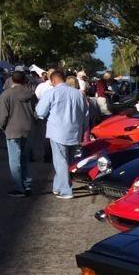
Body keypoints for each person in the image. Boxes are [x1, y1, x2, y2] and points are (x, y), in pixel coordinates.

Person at [36, 69, 89, 200]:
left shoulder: (51, 93)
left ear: (53, 80)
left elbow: (40, 112)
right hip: (75, 130)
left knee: (61, 162)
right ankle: (58, 187)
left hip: (58, 131)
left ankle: (66, 190)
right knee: (67, 162)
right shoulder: (78, 94)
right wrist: (83, 130)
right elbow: (86, 115)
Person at [0, 70, 36, 197]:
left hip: (12, 129)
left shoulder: (6, 95)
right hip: (27, 129)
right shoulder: (30, 94)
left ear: (11, 80)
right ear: (24, 80)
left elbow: (2, 116)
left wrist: (3, 127)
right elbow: (35, 111)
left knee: (14, 160)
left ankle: (18, 188)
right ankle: (27, 184)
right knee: (24, 158)